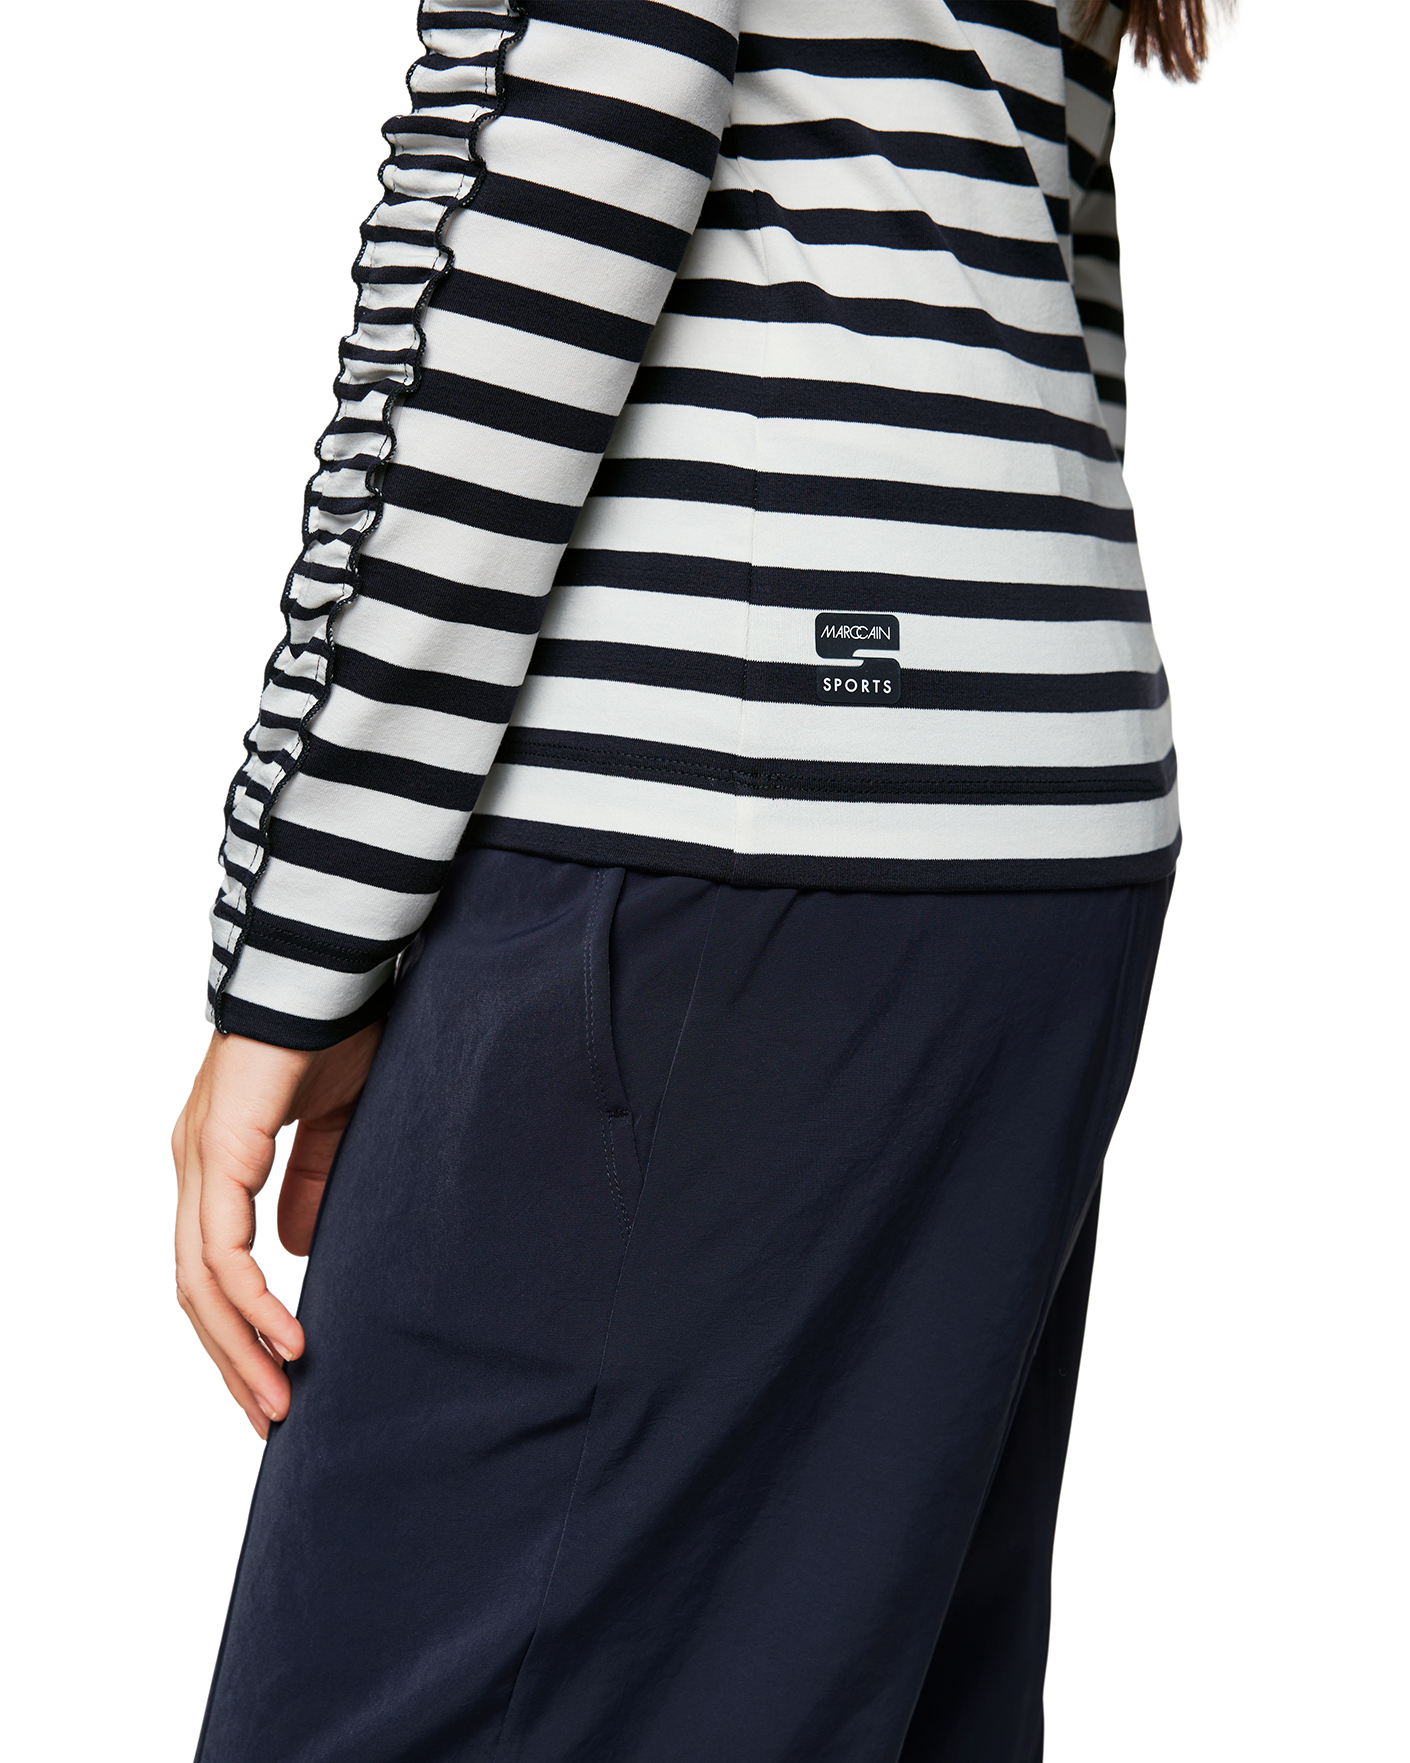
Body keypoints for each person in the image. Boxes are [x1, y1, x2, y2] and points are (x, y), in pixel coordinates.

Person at [173, 2, 1215, 1756]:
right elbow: (1044, 286)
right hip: (1037, 824)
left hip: (719, 832)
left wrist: (295, 948)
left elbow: (523, 277)